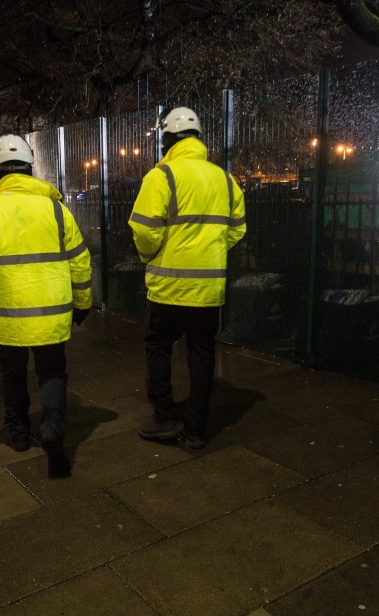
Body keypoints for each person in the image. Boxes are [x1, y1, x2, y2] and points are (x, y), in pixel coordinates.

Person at [0, 134, 92, 478]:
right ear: (31, 167)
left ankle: (17, 432)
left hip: (6, 316)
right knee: (52, 370)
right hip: (52, 311)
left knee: (11, 373)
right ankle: (53, 428)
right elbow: (80, 260)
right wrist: (84, 302)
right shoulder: (56, 209)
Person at [128, 106, 247, 449]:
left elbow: (144, 229)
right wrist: (210, 249)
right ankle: (195, 429)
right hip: (208, 289)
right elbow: (237, 229)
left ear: (167, 139)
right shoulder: (224, 179)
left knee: (158, 347)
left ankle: (164, 418)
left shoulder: (161, 176)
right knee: (202, 352)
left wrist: (150, 256)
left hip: (167, 288)